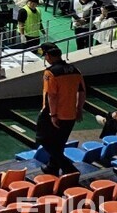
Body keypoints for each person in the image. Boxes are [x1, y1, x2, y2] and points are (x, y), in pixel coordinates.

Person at [36, 44, 87, 175]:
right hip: (71, 113)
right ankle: (52, 167)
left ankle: (69, 169)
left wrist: (53, 115)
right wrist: (79, 109)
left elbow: (51, 95)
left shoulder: (50, 72)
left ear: (48, 56)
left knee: (43, 139)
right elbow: (82, 92)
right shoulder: (76, 70)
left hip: (53, 113)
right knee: (59, 143)